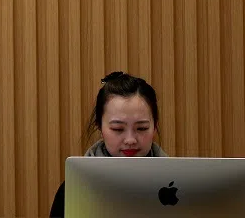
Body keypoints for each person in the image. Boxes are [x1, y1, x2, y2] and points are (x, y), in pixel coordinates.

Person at [49, 71, 167, 217]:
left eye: (141, 128)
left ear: (155, 127)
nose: (130, 140)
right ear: (100, 127)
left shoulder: (181, 185)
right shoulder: (73, 190)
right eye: (118, 129)